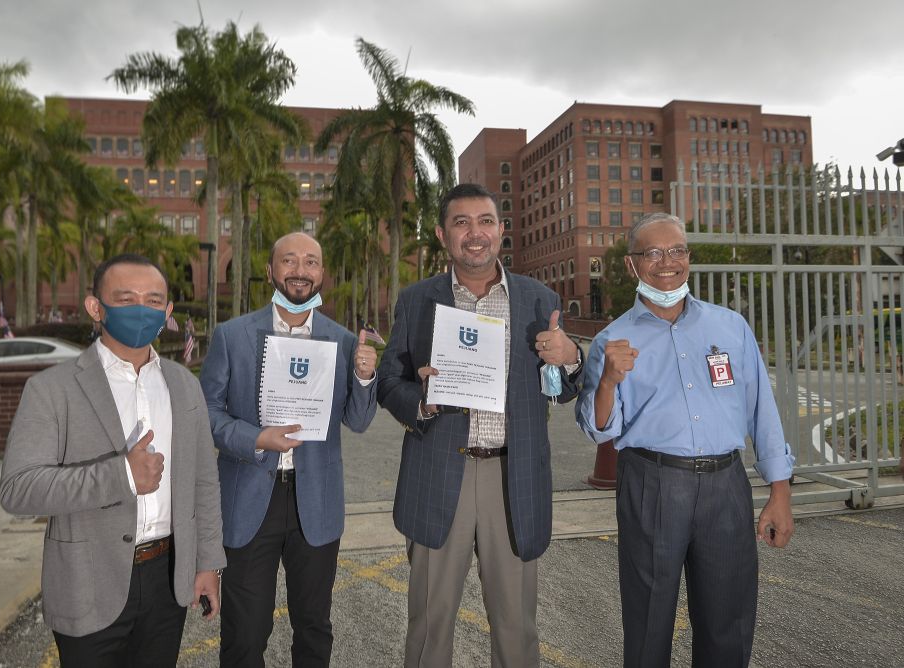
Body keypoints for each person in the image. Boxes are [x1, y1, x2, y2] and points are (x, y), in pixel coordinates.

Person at [575, 213, 795, 668]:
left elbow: (762, 412)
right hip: (652, 483)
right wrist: (609, 383)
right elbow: (599, 428)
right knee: (649, 621)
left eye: (676, 250)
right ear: (633, 265)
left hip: (725, 485)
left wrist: (779, 493)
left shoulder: (730, 327)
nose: (667, 262)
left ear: (688, 258)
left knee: (727, 622)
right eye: (652, 252)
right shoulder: (613, 339)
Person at [377, 183, 583, 667]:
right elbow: (389, 382)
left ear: (501, 230)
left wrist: (571, 358)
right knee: (429, 625)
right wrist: (421, 400)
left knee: (516, 628)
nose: (475, 233)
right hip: (437, 472)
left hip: (511, 478)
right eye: (462, 222)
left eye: (485, 221)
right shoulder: (417, 301)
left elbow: (565, 387)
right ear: (442, 233)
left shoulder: (537, 299)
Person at [0, 253, 226, 667]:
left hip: (166, 576)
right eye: (126, 298)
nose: (141, 309)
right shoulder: (51, 389)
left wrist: (208, 562)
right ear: (96, 307)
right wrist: (121, 474)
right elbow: (18, 489)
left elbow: (203, 483)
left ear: (168, 312)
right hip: (87, 580)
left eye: (154, 300)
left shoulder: (183, 385)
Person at [200, 232, 378, 667]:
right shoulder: (232, 336)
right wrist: (255, 438)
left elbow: (357, 421)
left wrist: (365, 377)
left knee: (314, 628)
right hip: (249, 498)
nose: (300, 270)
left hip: (314, 499)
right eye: (290, 261)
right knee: (245, 633)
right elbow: (207, 413)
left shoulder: (343, 341)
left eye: (311, 262)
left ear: (322, 274)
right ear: (270, 270)